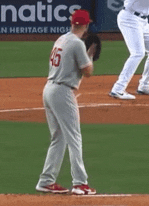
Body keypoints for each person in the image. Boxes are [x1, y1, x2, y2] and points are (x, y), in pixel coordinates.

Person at [35, 10, 96, 195]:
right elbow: (87, 71)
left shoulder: (62, 38)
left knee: (59, 137)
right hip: (62, 92)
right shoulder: (77, 44)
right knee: (74, 137)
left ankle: (46, 180)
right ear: (86, 25)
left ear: (72, 23)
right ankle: (80, 183)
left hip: (49, 89)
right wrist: (90, 55)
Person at [109, 0, 149, 100]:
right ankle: (118, 88)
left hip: (143, 20)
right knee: (138, 53)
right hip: (129, 18)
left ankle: (145, 85)